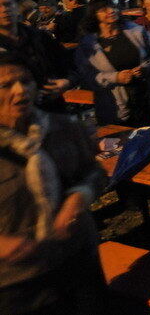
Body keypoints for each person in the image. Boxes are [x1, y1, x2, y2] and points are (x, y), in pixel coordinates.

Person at [0, 53, 106, 315]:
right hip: (17, 284)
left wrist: (78, 197)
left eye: (26, 81)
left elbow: (95, 172)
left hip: (76, 261)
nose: (20, 90)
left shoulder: (63, 127)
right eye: (5, 85)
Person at [74, 0, 150, 125]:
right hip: (113, 104)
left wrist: (145, 68)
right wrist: (115, 78)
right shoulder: (88, 44)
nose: (111, 11)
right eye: (104, 10)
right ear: (94, 15)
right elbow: (86, 75)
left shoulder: (135, 31)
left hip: (146, 97)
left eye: (113, 7)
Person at [0, 0, 71, 102]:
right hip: (10, 108)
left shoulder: (39, 36)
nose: (4, 9)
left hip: (48, 104)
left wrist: (67, 81)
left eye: (8, 4)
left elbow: (67, 64)